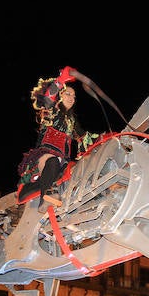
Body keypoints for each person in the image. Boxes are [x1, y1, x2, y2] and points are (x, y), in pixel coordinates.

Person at [17, 66, 99, 209]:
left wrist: (105, 138)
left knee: (77, 170)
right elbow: (48, 99)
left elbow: (85, 138)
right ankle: (46, 198)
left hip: (63, 161)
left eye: (74, 96)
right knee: (53, 161)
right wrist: (60, 80)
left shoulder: (72, 121)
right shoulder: (52, 112)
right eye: (68, 94)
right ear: (60, 95)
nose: (72, 98)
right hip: (45, 156)